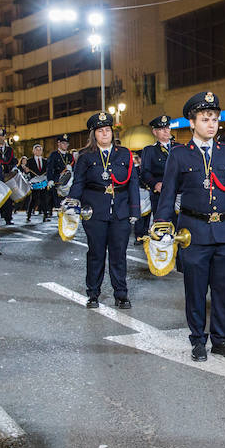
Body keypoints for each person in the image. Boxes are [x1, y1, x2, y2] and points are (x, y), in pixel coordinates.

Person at [153, 91, 225, 360]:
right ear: (192, 122)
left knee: (223, 290)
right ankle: (198, 339)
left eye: (215, 119)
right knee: (195, 290)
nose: (212, 124)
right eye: (206, 118)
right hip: (193, 233)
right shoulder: (179, 155)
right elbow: (168, 195)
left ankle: (221, 339)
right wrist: (162, 229)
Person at [68, 112, 140, 309]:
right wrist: (72, 202)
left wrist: (135, 210)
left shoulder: (124, 154)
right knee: (96, 254)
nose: (105, 134)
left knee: (119, 255)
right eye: (100, 131)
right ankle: (93, 293)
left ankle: (121, 294)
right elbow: (79, 182)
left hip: (120, 211)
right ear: (94, 134)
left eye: (107, 130)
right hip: (95, 212)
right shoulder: (85, 157)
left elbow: (133, 182)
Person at [137, 116, 173, 242]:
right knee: (162, 228)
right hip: (160, 195)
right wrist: (155, 184)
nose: (166, 131)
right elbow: (144, 172)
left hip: (179, 194)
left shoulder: (179, 148)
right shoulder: (150, 150)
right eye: (162, 129)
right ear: (155, 132)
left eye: (167, 128)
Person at [21, 143, 51, 223]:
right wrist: (26, 171)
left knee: (44, 199)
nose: (38, 151)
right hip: (34, 183)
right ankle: (29, 215)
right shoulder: (30, 161)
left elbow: (48, 170)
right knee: (34, 199)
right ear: (33, 151)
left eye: (40, 150)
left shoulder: (45, 161)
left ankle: (45, 215)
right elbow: (26, 172)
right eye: (37, 150)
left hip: (43, 181)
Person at [45, 135, 72, 216]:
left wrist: (71, 169)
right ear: (59, 144)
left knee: (67, 202)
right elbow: (50, 168)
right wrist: (50, 179)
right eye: (63, 143)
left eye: (67, 144)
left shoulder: (69, 156)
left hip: (68, 182)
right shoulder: (54, 155)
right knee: (58, 203)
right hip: (58, 182)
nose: (65, 145)